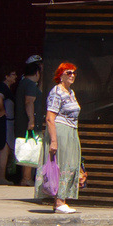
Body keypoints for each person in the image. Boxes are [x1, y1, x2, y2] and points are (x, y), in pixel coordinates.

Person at [39, 63, 83, 213]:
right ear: (61, 75)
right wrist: (54, 140)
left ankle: (61, 199)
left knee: (70, 164)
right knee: (62, 164)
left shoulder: (70, 92)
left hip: (71, 131)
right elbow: (50, 117)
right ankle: (59, 201)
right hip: (61, 131)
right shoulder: (56, 92)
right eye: (68, 72)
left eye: (74, 73)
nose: (72, 75)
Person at [15, 58, 45, 186]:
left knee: (31, 148)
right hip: (28, 123)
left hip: (24, 122)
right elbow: (29, 102)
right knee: (30, 148)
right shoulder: (29, 85)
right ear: (36, 73)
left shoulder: (25, 83)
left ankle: (28, 177)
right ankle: (26, 178)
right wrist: (31, 121)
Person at [0, 70, 19, 185]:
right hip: (4, 123)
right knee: (4, 148)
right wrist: (2, 110)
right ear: (6, 76)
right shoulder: (3, 88)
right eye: (13, 74)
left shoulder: (6, 88)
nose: (15, 77)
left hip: (5, 122)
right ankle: (1, 177)